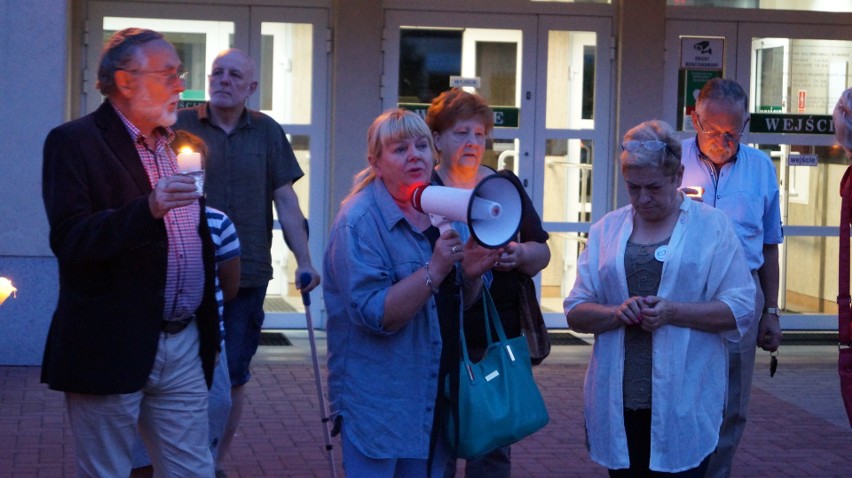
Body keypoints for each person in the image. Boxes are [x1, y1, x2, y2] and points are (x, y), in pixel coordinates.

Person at [41, 28, 219, 476]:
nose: (182, 84)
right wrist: (149, 208)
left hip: (182, 341)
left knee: (193, 470)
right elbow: (71, 239)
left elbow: (192, 237)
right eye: (170, 74)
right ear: (125, 81)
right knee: (108, 471)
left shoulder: (182, 147)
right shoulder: (74, 142)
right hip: (111, 342)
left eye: (181, 74)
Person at [564, 120, 756, 476]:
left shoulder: (711, 227)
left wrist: (672, 312)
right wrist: (616, 312)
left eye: (653, 187)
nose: (642, 199)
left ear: (678, 174)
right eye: (632, 188)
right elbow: (576, 309)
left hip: (685, 398)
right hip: (619, 400)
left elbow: (740, 308)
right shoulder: (607, 228)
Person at [323, 109, 500, 477]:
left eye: (421, 145)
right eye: (400, 149)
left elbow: (456, 306)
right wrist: (434, 270)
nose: (415, 155)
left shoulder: (439, 208)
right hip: (380, 403)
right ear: (376, 162)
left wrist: (468, 276)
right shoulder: (358, 222)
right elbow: (376, 315)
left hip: (433, 395)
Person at [174, 48, 320, 475]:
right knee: (180, 372)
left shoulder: (268, 132)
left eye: (234, 75)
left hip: (247, 275)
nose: (223, 79)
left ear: (251, 87)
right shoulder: (180, 126)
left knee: (234, 370)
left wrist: (304, 261)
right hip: (185, 272)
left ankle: (213, 461)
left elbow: (287, 201)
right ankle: (182, 454)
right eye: (217, 72)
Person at [424, 88, 551, 478]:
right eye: (461, 133)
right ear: (438, 139)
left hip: (494, 336)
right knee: (438, 443)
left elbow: (542, 251)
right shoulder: (425, 190)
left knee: (493, 446)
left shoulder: (503, 186)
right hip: (442, 336)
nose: (472, 143)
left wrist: (522, 255)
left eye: (479, 135)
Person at [680, 78, 783, 478]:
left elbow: (770, 244)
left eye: (732, 131)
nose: (723, 140)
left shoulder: (760, 168)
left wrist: (771, 311)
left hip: (742, 290)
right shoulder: (674, 162)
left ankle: (715, 473)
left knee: (732, 402)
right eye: (712, 130)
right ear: (694, 119)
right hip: (684, 292)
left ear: (746, 123)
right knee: (683, 390)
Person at [130, 131, 241, 478]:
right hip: (148, 340)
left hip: (202, 341)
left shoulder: (218, 222)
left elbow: (230, 285)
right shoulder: (143, 218)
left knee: (210, 409)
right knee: (139, 439)